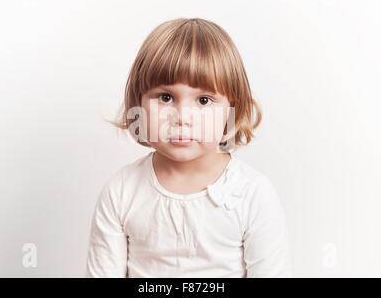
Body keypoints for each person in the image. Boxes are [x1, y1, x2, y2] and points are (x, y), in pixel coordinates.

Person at [85, 18, 293, 277]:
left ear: (231, 110)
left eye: (204, 100)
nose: (182, 116)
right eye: (166, 97)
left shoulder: (252, 195)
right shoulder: (121, 192)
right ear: (138, 102)